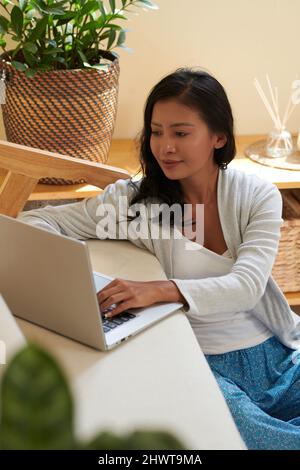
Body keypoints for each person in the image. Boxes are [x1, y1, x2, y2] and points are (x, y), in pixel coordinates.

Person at [19, 68, 300, 450]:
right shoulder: (134, 202)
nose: (165, 146)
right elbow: (41, 221)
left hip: (276, 356)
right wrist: (75, 278)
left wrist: (160, 290)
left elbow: (247, 287)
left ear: (218, 137)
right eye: (156, 131)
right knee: (237, 432)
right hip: (206, 366)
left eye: (181, 133)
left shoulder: (257, 196)